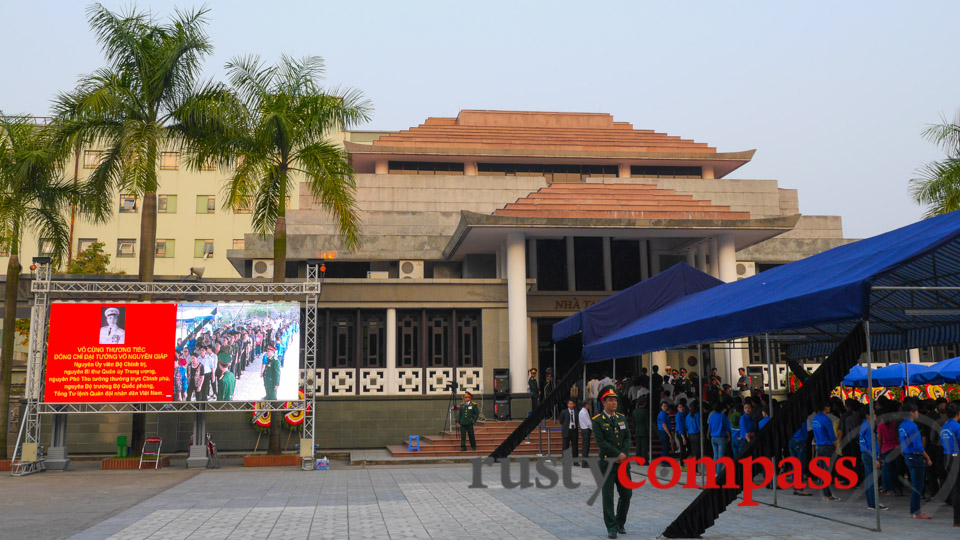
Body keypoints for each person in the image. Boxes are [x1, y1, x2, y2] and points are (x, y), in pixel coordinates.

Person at [591, 386, 632, 539]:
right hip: (607, 463)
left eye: (615, 400)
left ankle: (620, 522)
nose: (614, 402)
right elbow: (601, 443)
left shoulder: (621, 418)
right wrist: (618, 453)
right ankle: (611, 526)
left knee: (627, 494)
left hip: (623, 463)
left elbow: (627, 437)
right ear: (604, 402)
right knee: (608, 496)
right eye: (611, 400)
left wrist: (625, 454)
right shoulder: (597, 421)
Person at [900, 401, 933, 518]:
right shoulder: (913, 426)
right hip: (915, 456)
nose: (918, 413)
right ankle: (916, 511)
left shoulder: (902, 425)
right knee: (918, 485)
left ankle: (913, 510)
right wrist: (927, 457)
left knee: (915, 483)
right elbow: (918, 445)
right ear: (911, 412)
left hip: (908, 455)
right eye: (916, 411)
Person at [859, 408, 887, 510]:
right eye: (874, 414)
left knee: (868, 479)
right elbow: (871, 444)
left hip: (865, 454)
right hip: (870, 455)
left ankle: (870, 503)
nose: (875, 416)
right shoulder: (869, 427)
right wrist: (875, 458)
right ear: (868, 415)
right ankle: (874, 503)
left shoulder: (863, 425)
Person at [812, 403, 841, 501]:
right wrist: (836, 446)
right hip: (827, 446)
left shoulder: (815, 419)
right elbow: (832, 435)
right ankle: (828, 494)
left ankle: (825, 493)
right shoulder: (826, 419)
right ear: (826, 407)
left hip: (819, 446)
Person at [939, 402, 960, 527]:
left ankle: (956, 518)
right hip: (956, 457)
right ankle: (957, 519)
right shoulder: (957, 427)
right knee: (957, 489)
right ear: (958, 413)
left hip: (946, 457)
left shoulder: (944, 427)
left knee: (955, 489)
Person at [708, 401, 732, 475]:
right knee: (721, 455)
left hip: (713, 437)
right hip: (721, 437)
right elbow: (727, 427)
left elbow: (709, 427)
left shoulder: (711, 416)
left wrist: (708, 434)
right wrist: (729, 436)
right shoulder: (722, 416)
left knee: (715, 455)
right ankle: (718, 473)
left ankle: (714, 470)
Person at [788, 425, 812, 496]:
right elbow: (805, 433)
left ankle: (795, 487)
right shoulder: (801, 420)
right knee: (800, 465)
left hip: (791, 441)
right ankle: (800, 488)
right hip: (799, 441)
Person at [579, 401, 593, 468]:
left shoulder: (584, 411)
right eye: (588, 404)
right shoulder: (583, 412)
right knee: (585, 446)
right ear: (586, 405)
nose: (589, 406)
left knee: (586, 446)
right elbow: (588, 423)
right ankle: (584, 463)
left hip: (585, 429)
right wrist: (593, 428)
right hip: (586, 430)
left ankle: (585, 461)